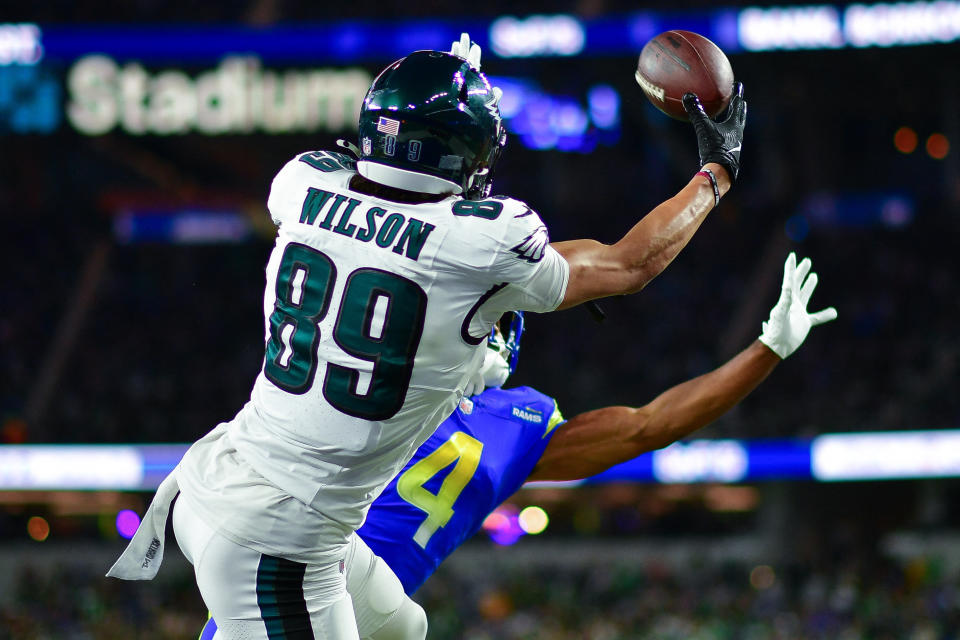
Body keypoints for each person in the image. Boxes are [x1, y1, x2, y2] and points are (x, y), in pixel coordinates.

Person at [107, 33, 748, 639]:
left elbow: (394, 190)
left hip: (225, 480)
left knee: (399, 626)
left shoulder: (303, 182)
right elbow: (628, 264)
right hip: (282, 539)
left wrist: (436, 90)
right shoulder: (482, 240)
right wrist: (716, 169)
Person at [198, 252, 836, 639]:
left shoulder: (452, 394)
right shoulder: (501, 413)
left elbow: (648, 425)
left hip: (308, 578)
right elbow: (652, 425)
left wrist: (765, 353)